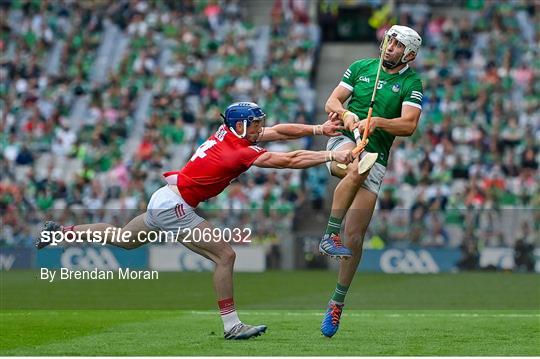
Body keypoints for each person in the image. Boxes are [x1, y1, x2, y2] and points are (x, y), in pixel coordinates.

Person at [36, 102, 354, 340]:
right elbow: (288, 160)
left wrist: (317, 130)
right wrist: (330, 155)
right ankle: (232, 326)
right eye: (255, 124)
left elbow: (280, 132)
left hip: (166, 197)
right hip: (175, 205)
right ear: (240, 126)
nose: (260, 129)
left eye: (259, 124)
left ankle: (63, 233)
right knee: (225, 256)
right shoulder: (237, 153)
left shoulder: (230, 136)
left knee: (123, 239)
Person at [318, 25, 424, 337]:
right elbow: (332, 102)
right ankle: (329, 233)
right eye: (390, 41)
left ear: (410, 55)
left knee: (355, 238)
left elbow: (409, 125)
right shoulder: (361, 68)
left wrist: (377, 121)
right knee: (355, 164)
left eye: (398, 45)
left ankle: (337, 303)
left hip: (376, 159)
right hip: (344, 144)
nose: (390, 47)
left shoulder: (411, 82)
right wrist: (347, 115)